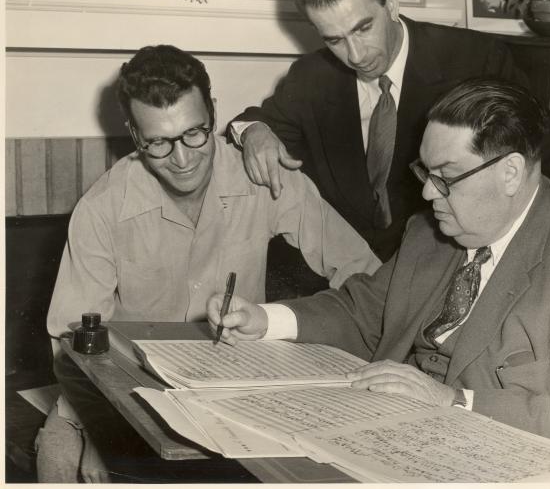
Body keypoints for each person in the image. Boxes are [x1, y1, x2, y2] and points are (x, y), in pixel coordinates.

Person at [209, 78, 550, 482]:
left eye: (445, 178)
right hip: (421, 448)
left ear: (511, 173)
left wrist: (453, 400)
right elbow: (367, 312)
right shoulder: (434, 231)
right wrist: (264, 319)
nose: (426, 193)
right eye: (425, 173)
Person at [36, 44, 381, 482]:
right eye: (158, 143)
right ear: (134, 134)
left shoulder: (264, 178)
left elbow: (365, 275)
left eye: (194, 134)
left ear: (214, 114)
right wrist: (103, 431)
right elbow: (75, 345)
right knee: (60, 466)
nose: (182, 160)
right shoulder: (102, 209)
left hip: (235, 393)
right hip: (115, 393)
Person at [231, 0, 550, 262]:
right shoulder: (312, 77)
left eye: (362, 28)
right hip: (349, 276)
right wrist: (255, 132)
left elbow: (547, 157)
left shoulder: (476, 59)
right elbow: (258, 121)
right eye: (334, 40)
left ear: (391, 4)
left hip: (444, 262)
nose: (355, 55)